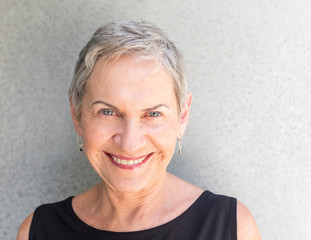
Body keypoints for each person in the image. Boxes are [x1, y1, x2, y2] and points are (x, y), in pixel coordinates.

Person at [17, 21, 262, 240]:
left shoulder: (233, 229)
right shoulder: (37, 231)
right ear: (77, 114)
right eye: (108, 112)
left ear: (182, 117)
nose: (129, 143)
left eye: (153, 114)